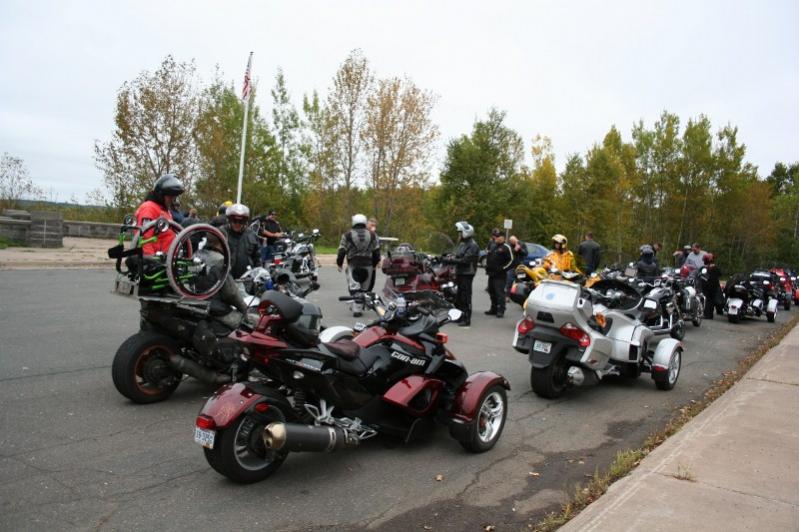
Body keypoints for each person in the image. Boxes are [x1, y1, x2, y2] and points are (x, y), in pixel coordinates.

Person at [337, 214, 381, 317]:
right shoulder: (373, 235)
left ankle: (356, 307)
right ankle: (360, 306)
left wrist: (339, 263)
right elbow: (376, 251)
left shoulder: (347, 235)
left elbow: (342, 250)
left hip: (353, 264)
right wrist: (375, 264)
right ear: (365, 222)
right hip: (368, 265)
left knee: (354, 286)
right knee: (365, 288)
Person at [134, 174, 185, 256]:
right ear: (161, 195)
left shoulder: (164, 210)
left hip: (167, 258)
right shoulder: (149, 208)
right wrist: (150, 260)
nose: (172, 200)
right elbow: (145, 238)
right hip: (156, 261)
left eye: (174, 197)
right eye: (170, 197)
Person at [445, 221, 480, 327]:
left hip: (467, 274)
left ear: (466, 232)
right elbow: (458, 255)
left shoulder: (473, 245)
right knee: (459, 296)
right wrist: (448, 256)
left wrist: (450, 261)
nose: (459, 234)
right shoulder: (463, 244)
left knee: (465, 297)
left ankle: (466, 319)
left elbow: (465, 260)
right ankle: (460, 316)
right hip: (460, 272)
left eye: (460, 232)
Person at [220, 203, 261, 279]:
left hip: (246, 278)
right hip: (224, 278)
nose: (237, 224)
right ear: (229, 219)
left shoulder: (251, 234)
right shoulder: (220, 233)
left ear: (245, 221)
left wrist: (257, 272)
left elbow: (257, 257)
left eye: (241, 221)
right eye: (234, 220)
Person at [485, 232, 513, 318]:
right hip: (491, 274)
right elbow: (490, 257)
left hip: (500, 275)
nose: (496, 238)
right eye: (495, 237)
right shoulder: (494, 246)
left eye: (498, 237)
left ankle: (501, 310)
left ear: (503, 237)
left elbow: (511, 260)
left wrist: (503, 268)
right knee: (491, 291)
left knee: (499, 293)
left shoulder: (506, 247)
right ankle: (493, 308)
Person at [702, 253, 724, 318]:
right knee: (710, 300)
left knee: (709, 300)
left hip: (712, 286)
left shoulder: (713, 267)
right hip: (710, 286)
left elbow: (719, 273)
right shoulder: (708, 267)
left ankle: (708, 315)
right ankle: (709, 314)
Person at [366, 217, 380, 291]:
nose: (373, 227)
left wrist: (377, 261)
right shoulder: (363, 233)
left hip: (371, 260)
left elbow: (377, 249)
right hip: (363, 259)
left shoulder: (375, 236)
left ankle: (368, 293)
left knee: (371, 281)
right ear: (367, 224)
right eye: (371, 225)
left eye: (374, 226)